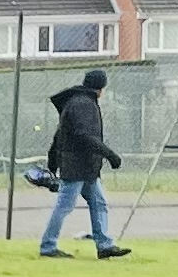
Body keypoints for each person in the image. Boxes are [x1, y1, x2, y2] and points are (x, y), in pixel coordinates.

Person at [37, 66, 129, 258]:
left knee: (99, 203)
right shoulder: (84, 104)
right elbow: (84, 135)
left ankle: (104, 245)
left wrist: (53, 162)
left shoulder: (74, 102)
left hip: (85, 167)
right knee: (65, 206)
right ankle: (48, 246)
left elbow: (60, 135)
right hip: (78, 166)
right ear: (100, 88)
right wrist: (109, 154)